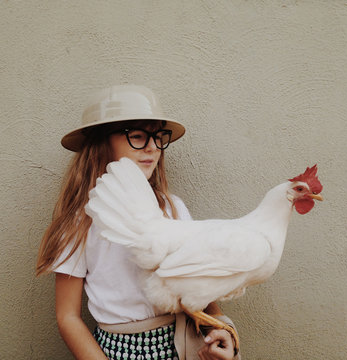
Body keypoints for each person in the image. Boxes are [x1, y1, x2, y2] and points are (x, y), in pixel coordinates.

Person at [36, 85, 239, 360]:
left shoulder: (172, 208)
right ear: (101, 144)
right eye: (138, 136)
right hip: (116, 353)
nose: (153, 147)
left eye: (158, 137)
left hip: (185, 347)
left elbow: (196, 286)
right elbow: (68, 317)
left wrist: (220, 327)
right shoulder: (80, 223)